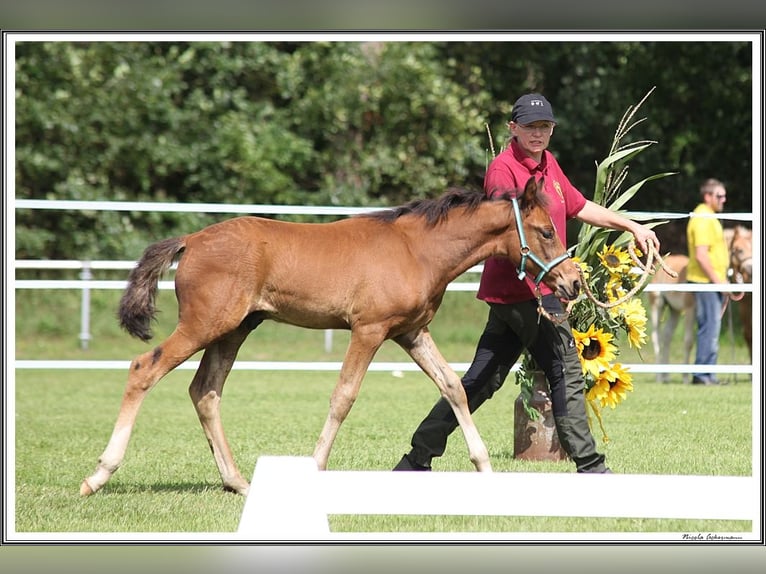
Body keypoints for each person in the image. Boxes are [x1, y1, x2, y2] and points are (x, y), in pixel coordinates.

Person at [393, 93, 660, 474]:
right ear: (513, 129)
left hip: (519, 295)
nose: (538, 134)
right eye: (530, 127)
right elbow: (508, 231)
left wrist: (630, 225)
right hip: (528, 293)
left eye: (545, 127)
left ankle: (417, 458)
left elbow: (579, 206)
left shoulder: (549, 165)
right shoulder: (503, 170)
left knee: (481, 380)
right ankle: (592, 468)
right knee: (566, 369)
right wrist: (551, 282)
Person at [686, 178, 729, 385]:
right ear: (707, 196)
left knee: (713, 327)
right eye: (719, 196)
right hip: (705, 282)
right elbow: (702, 256)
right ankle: (702, 375)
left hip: (712, 281)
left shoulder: (709, 216)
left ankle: (708, 374)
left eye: (724, 196)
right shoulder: (703, 217)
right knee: (709, 328)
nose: (724, 199)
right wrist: (719, 282)